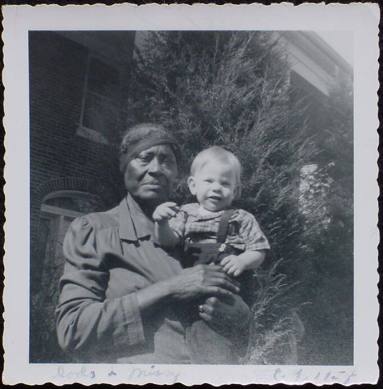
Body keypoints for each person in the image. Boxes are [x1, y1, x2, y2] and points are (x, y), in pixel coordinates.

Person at [56, 123, 251, 364]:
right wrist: (170, 288)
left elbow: (241, 339)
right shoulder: (96, 231)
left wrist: (240, 317)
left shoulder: (198, 229)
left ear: (179, 175)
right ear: (125, 166)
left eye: (166, 161)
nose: (156, 169)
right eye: (144, 158)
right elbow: (73, 331)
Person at [153, 146, 270, 363]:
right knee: (177, 342)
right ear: (193, 185)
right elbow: (168, 241)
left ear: (236, 191)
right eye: (209, 181)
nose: (216, 188)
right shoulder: (184, 213)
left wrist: (242, 260)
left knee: (212, 345)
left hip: (221, 291)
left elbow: (259, 249)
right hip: (188, 286)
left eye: (225, 184)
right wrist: (161, 222)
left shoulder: (241, 218)